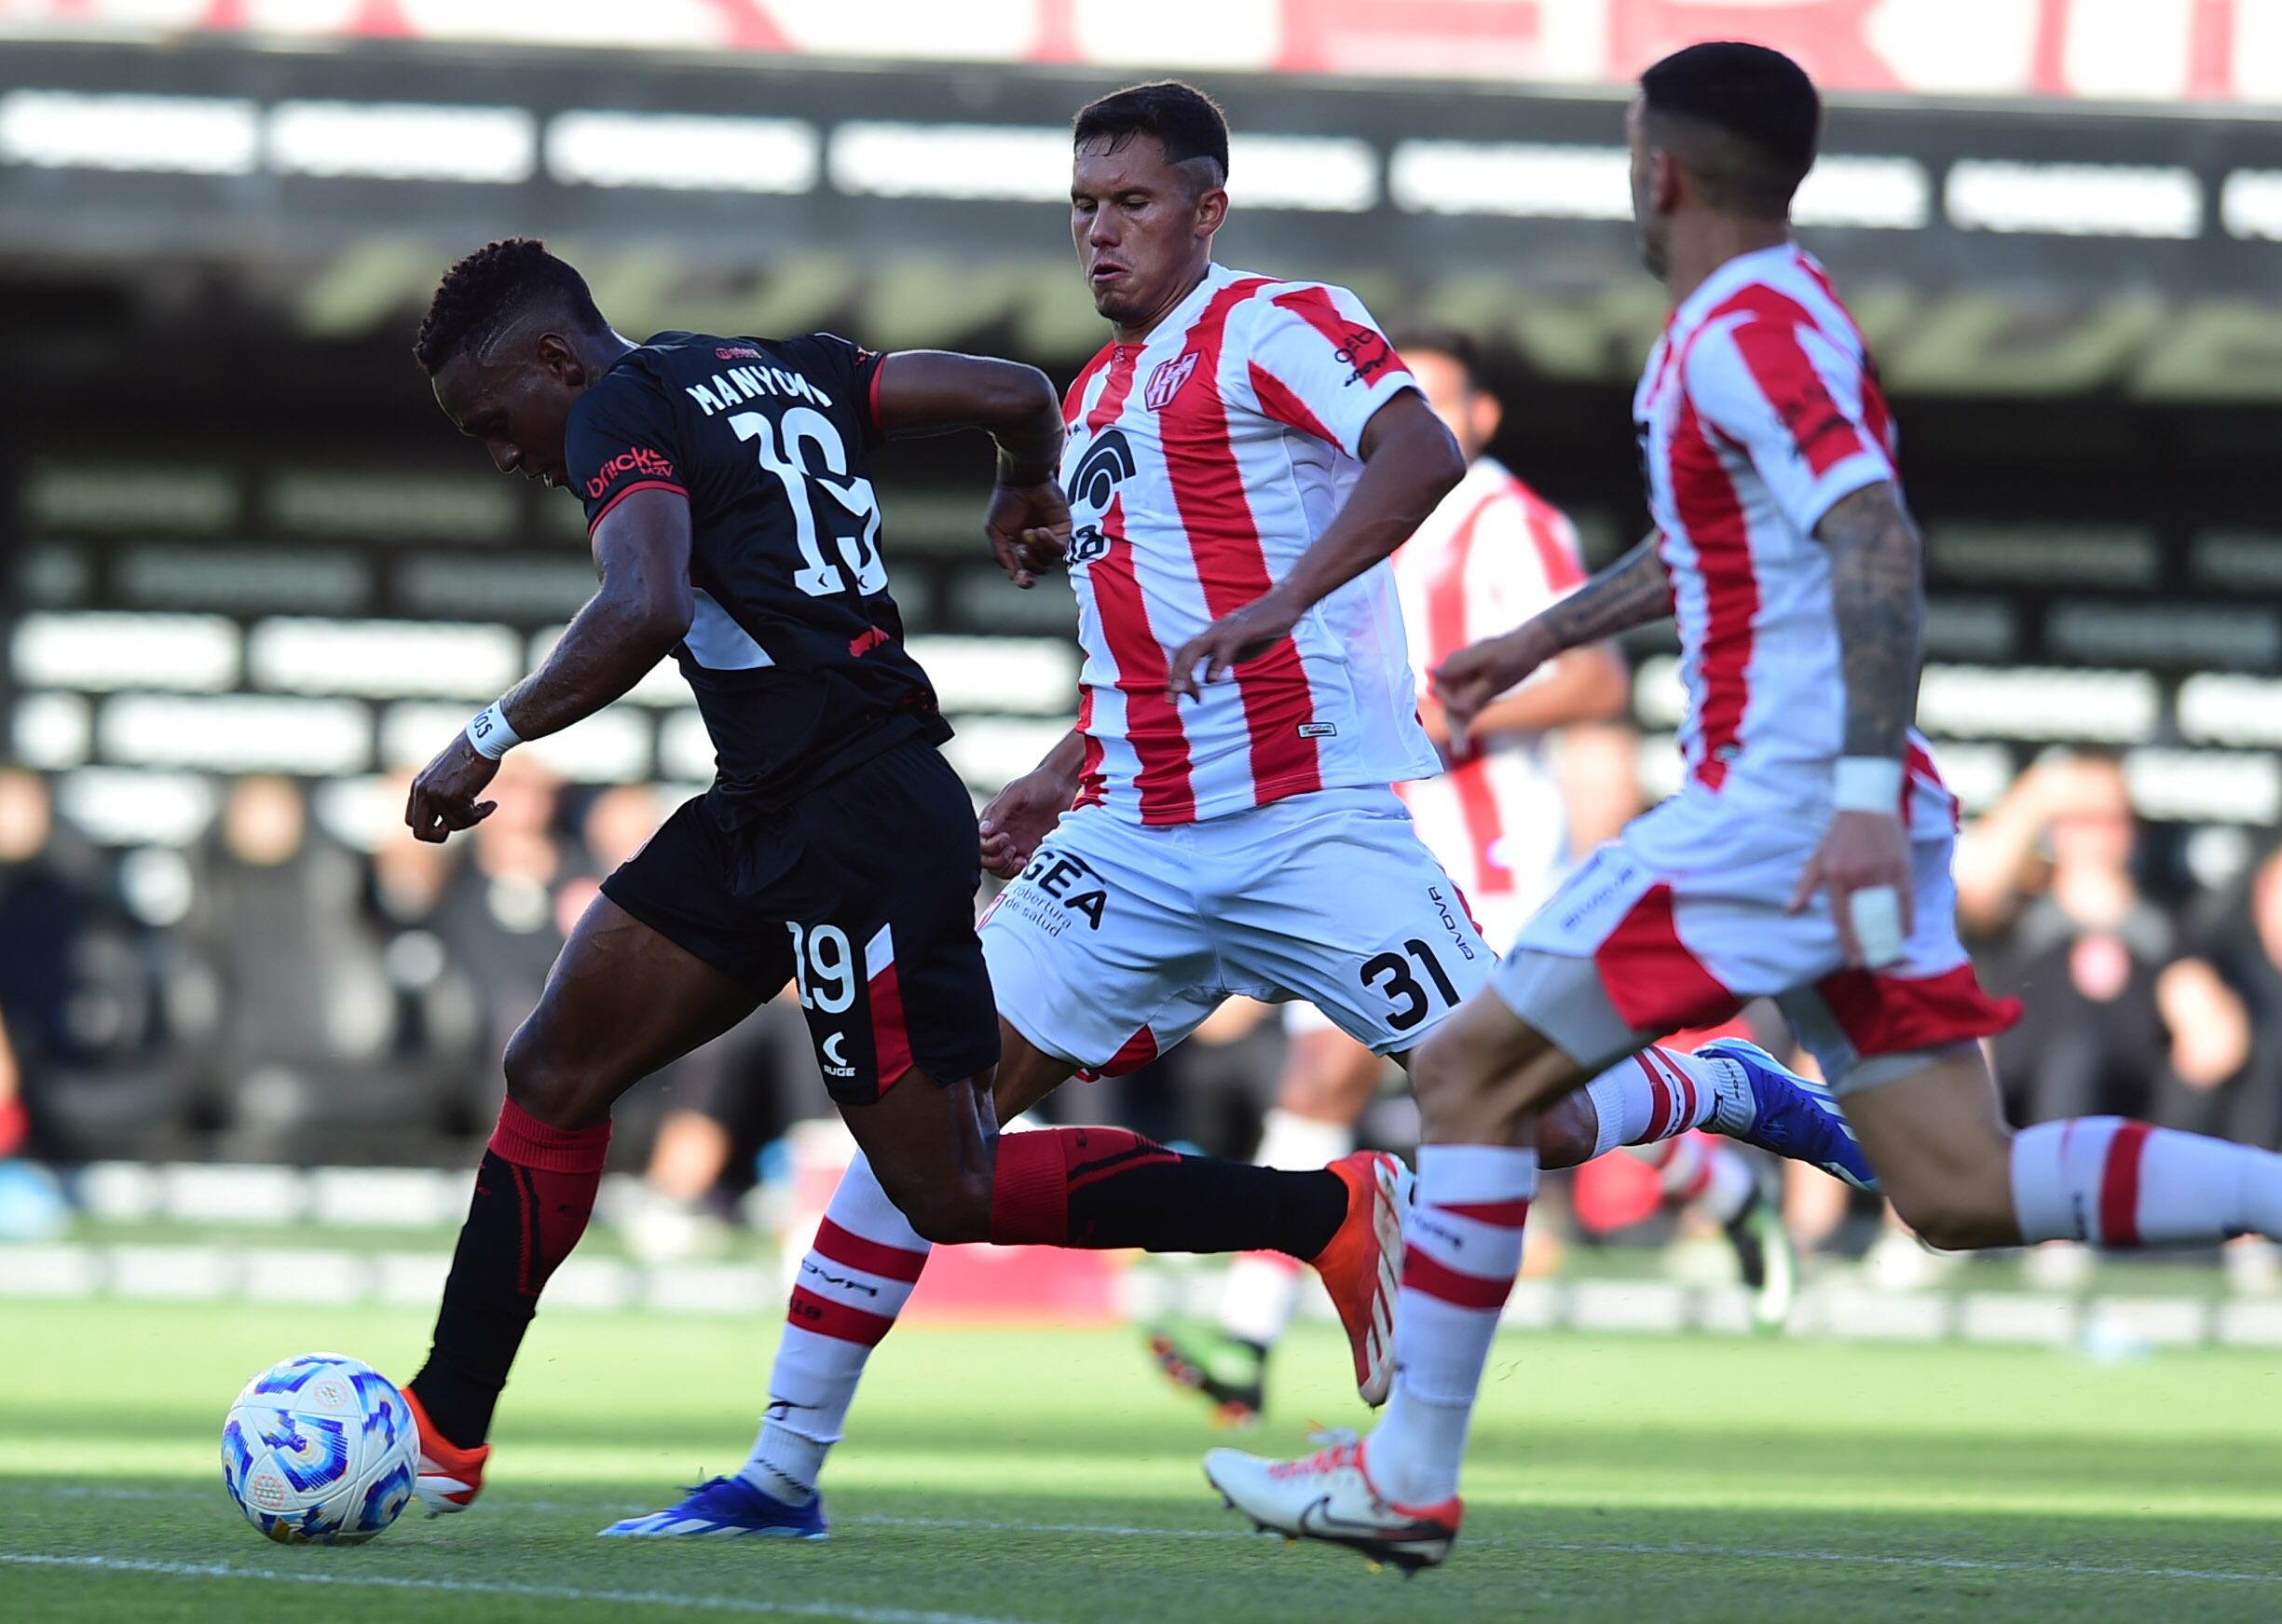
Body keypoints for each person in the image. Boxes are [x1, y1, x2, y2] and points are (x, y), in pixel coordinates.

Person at [611, 80, 1871, 1540]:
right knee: (921, 1128)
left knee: (1538, 1119)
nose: (1100, 233)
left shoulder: (1282, 321)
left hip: (1314, 828)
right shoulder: (1087, 406)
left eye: (1132, 203)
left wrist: (1285, 596)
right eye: (1082, 207)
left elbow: (1420, 453)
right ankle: (777, 1472)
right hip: (1128, 842)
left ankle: (1726, 1086)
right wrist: (1057, 769)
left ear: (1206, 210)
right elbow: (1144, 643)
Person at [1208, 40, 2282, 1571]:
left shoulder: (1737, 336)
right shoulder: (1769, 313)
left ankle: (1406, 1474)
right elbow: (1720, 549)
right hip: (1841, 811)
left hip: (1771, 811)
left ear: (1662, 170)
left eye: (1629, 146)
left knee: (1465, 1077)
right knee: (1956, 1187)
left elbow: (1873, 541)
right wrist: (1539, 635)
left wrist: (1838, 792)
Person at [392, 236, 1429, 1521]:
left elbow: (645, 602)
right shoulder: (774, 365)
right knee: (554, 1065)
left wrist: (479, 739)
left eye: (497, 420)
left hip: (855, 819)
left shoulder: (616, 407)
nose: (504, 452)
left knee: (949, 1181)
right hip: (769, 800)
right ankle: (446, 1425)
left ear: (555, 357)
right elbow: (1015, 393)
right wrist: (1025, 487)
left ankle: (1321, 1207)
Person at [1148, 327, 1795, 1425]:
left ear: (1480, 420)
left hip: (1489, 856)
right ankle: (1248, 1344)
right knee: (1329, 1079)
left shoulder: (1504, 521)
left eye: (1437, 400)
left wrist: (1450, 705)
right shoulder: (1351, 521)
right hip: (1367, 850)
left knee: (1523, 1107)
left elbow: (1593, 681)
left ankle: (1721, 1167)